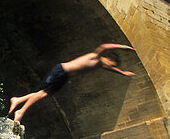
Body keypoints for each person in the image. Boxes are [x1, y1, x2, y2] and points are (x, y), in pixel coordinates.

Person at [8, 42, 136, 122]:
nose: (110, 66)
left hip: (64, 76)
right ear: (107, 58)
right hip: (60, 71)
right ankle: (21, 111)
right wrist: (123, 47)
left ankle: (18, 100)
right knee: (42, 94)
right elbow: (105, 46)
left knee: (46, 94)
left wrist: (123, 73)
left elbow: (111, 69)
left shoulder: (100, 65)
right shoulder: (95, 56)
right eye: (111, 63)